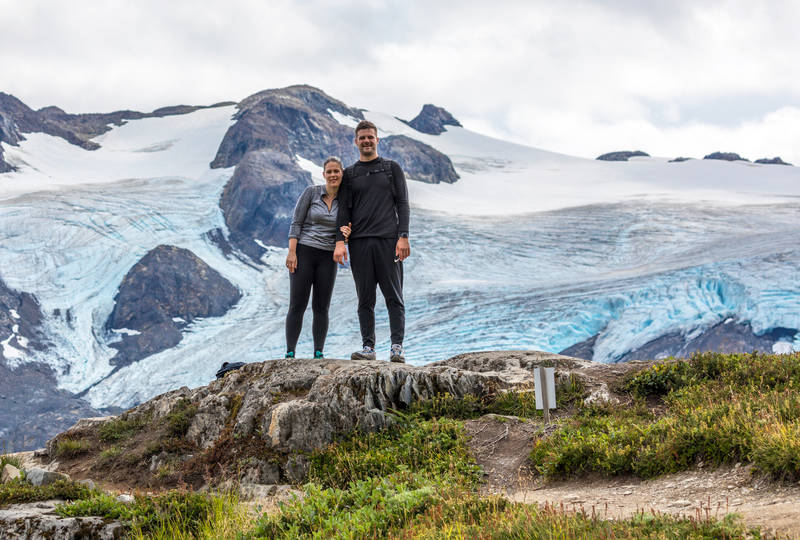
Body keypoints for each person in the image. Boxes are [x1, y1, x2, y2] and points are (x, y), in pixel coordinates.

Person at [334, 120, 410, 363]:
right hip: (360, 243)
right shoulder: (350, 174)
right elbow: (344, 211)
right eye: (362, 137)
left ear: (378, 140)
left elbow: (403, 204)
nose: (367, 141)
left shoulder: (391, 168)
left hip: (389, 242)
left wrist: (403, 236)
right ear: (356, 142)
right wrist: (339, 241)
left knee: (393, 296)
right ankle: (368, 348)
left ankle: (397, 347)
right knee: (365, 298)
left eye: (370, 137)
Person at [285, 157, 350, 359]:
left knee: (321, 306)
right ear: (324, 175)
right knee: (298, 304)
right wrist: (292, 252)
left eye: (336, 171)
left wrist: (347, 235)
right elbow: (296, 223)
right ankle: (290, 352)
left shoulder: (347, 201)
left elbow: (348, 230)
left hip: (327, 257)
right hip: (304, 252)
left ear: (342, 173)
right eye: (329, 172)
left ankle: (318, 352)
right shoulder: (311, 193)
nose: (333, 175)